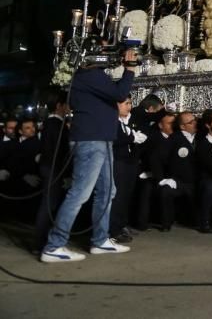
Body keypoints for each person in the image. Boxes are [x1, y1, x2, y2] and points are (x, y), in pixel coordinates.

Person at [41, 49, 137, 263]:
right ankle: (54, 245)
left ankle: (100, 240)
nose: (107, 55)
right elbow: (121, 93)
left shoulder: (91, 77)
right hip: (91, 140)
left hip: (100, 138)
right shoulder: (90, 75)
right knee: (79, 194)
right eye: (102, 51)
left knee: (107, 190)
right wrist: (129, 68)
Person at [34, 94, 73, 252]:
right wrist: (64, 173)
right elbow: (60, 151)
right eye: (66, 105)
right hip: (53, 169)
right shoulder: (57, 124)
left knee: (50, 203)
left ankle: (42, 241)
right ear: (59, 105)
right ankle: (40, 242)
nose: (69, 108)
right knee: (48, 205)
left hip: (49, 167)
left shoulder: (49, 123)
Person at [109, 98, 146, 244]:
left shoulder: (129, 121)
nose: (129, 106)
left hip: (129, 161)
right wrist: (132, 138)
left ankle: (121, 225)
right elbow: (117, 139)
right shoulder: (112, 121)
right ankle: (113, 230)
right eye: (126, 103)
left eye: (130, 103)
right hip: (117, 161)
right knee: (117, 197)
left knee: (126, 195)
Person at [156, 111, 199, 232]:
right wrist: (163, 179)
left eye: (194, 120)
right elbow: (158, 158)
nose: (194, 123)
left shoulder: (200, 137)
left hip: (196, 180)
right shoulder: (174, 139)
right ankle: (166, 223)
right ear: (182, 126)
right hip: (178, 181)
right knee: (166, 191)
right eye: (191, 122)